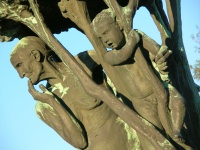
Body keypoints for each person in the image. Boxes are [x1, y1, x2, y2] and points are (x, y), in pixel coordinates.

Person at [10, 36, 141, 150]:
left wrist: (153, 54)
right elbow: (79, 142)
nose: (20, 74)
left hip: (136, 139)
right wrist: (52, 102)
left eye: (19, 65)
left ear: (35, 55)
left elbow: (121, 59)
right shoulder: (43, 106)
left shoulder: (83, 63)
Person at [91, 8, 186, 143]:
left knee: (179, 102)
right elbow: (123, 55)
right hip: (142, 103)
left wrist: (161, 57)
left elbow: (156, 50)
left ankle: (177, 131)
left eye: (106, 32)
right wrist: (132, 42)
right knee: (156, 131)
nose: (105, 40)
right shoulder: (110, 55)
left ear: (118, 24)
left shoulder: (137, 37)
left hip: (159, 89)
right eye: (101, 37)